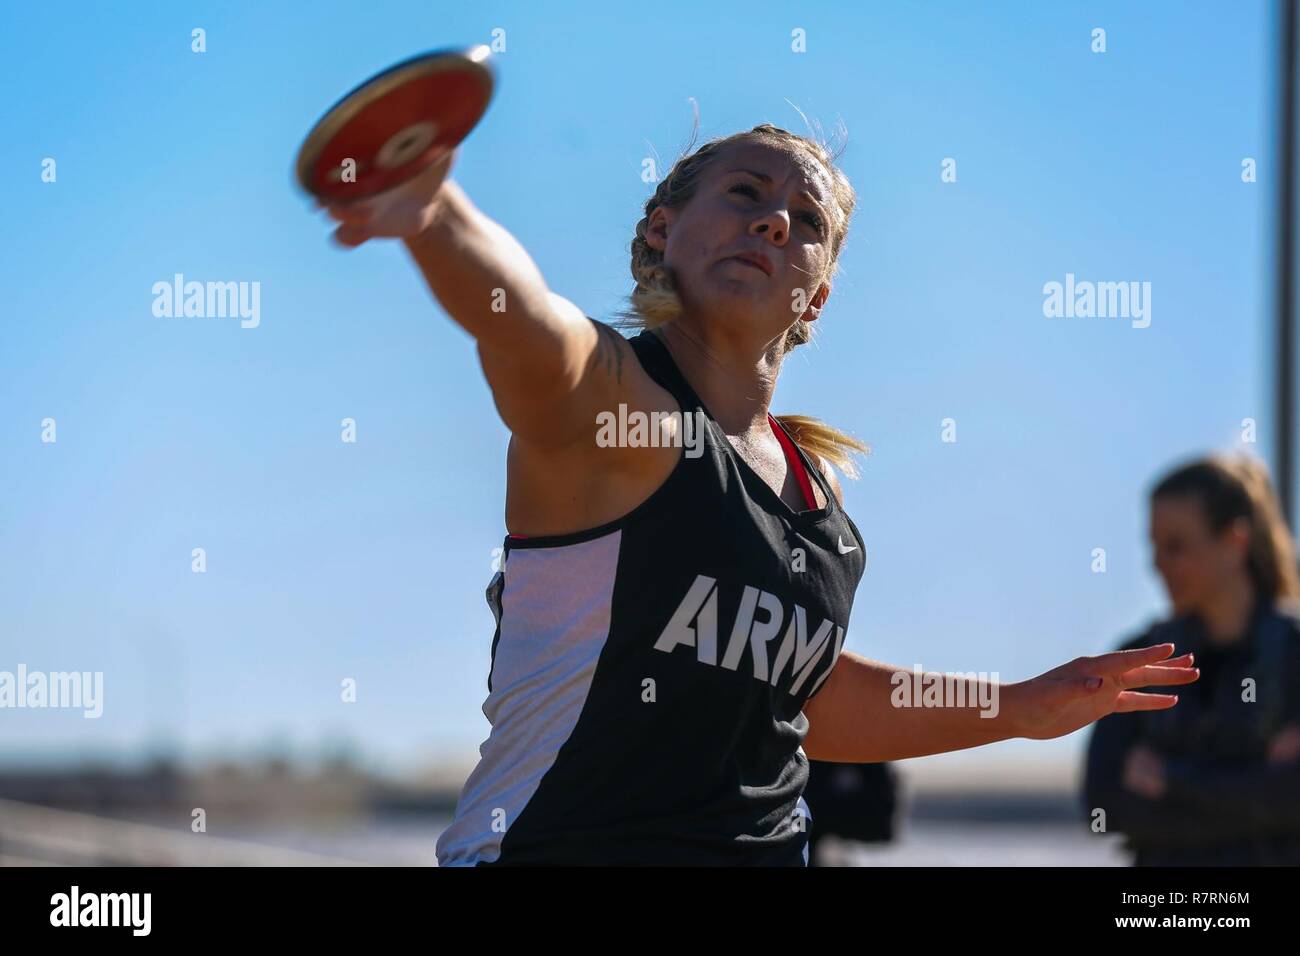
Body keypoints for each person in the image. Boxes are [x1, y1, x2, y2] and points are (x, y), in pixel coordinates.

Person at [318, 122, 1198, 866]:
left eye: (806, 219)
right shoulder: (626, 414)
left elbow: (810, 703)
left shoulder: (820, 506)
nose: (774, 221)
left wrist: (1020, 707)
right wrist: (432, 211)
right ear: (662, 230)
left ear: (815, 300)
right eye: (744, 193)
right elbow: (528, 327)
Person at [1083, 455, 1300, 864]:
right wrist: (1255, 788)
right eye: (1154, 546)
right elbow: (1102, 805)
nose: (1157, 563)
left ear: (1234, 542)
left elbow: (1293, 798)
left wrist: (1169, 779)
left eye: (1176, 546)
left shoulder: (1292, 656)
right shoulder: (1138, 660)